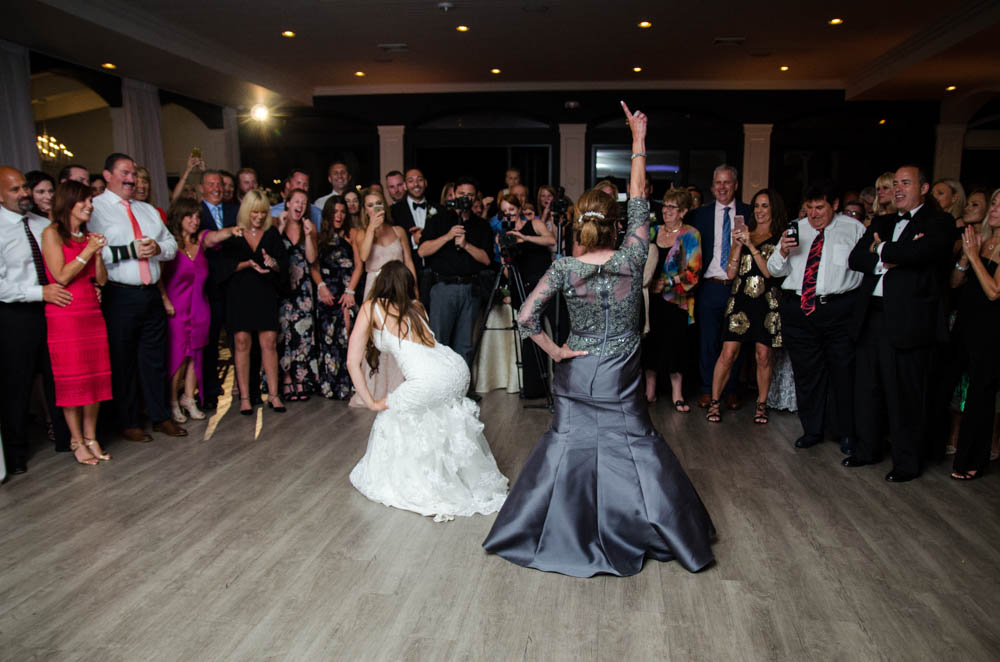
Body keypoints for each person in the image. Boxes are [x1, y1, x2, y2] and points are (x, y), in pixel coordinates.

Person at [483, 102, 715, 578]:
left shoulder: (565, 267)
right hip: (620, 377)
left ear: (581, 226)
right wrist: (638, 142)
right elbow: (639, 200)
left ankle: (556, 531)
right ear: (618, 225)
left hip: (577, 370)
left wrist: (557, 351)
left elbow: (526, 317)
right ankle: (646, 526)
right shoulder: (634, 256)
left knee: (567, 451)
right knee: (636, 449)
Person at [347, 260, 508, 520]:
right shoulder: (416, 307)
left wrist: (371, 402)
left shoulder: (371, 306)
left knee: (388, 418)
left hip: (430, 378)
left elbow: (352, 362)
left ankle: (423, 481)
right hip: (456, 369)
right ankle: (448, 475)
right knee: (435, 417)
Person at [845, 166, 954, 482]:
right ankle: (868, 449)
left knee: (904, 393)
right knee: (868, 388)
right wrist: (890, 256)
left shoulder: (939, 222)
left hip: (908, 321)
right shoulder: (882, 221)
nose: (898, 189)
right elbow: (856, 259)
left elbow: (923, 253)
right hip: (871, 316)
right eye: (895, 184)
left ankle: (907, 462)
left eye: (906, 183)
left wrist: (880, 248)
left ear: (924, 188)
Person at [88, 153, 186, 441]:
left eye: (133, 174)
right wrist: (130, 250)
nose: (131, 179)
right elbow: (91, 252)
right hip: (119, 295)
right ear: (108, 175)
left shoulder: (148, 210)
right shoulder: (95, 209)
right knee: (124, 361)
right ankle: (129, 421)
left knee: (155, 359)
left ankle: (160, 417)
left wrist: (157, 248)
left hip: (151, 294)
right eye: (125, 173)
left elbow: (171, 245)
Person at [766, 180, 865, 453]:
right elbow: (774, 270)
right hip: (800, 309)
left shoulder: (854, 229)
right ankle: (812, 430)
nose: (813, 214)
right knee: (807, 374)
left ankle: (845, 432)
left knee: (842, 373)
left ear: (834, 205)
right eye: (809, 207)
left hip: (838, 309)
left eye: (819, 207)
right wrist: (783, 251)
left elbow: (866, 269)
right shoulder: (796, 228)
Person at [0, 166, 73, 474]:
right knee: (17, 384)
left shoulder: (43, 225)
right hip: (15, 314)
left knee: (58, 376)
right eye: (15, 189)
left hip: (52, 308)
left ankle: (66, 439)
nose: (24, 193)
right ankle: (16, 454)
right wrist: (38, 292)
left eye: (24, 187)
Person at [40, 180, 113, 465]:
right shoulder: (51, 234)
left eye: (91, 201)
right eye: (84, 201)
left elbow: (101, 280)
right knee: (72, 380)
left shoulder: (88, 237)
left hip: (91, 312)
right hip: (65, 314)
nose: (89, 206)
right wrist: (87, 251)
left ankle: (91, 436)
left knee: (95, 376)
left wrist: (97, 253)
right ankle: (76, 440)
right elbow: (60, 276)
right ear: (68, 202)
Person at [707, 189, 788, 424]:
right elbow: (731, 273)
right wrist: (736, 245)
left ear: (773, 209)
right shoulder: (745, 234)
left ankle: (761, 405)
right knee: (728, 353)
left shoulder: (780, 238)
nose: (759, 211)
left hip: (767, 302)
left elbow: (769, 273)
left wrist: (751, 245)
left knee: (763, 355)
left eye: (765, 206)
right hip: (740, 300)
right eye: (757, 206)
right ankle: (714, 402)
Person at [161, 198, 243, 422]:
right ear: (180, 217)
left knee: (196, 355)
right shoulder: (169, 245)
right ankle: (172, 401)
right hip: (176, 308)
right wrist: (164, 300)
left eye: (198, 217)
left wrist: (233, 230)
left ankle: (189, 398)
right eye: (190, 216)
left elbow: (215, 236)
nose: (195, 221)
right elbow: (157, 276)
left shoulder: (200, 241)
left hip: (200, 307)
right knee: (178, 356)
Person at [690, 165, 753, 410]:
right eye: (718, 182)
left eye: (727, 182)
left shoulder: (748, 212)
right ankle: (707, 389)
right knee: (708, 341)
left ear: (735, 185)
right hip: (709, 285)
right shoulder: (700, 215)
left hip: (738, 287)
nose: (722, 187)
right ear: (712, 187)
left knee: (734, 340)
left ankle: (731, 389)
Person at [221, 190, 288, 414]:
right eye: (254, 212)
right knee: (241, 342)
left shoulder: (271, 233)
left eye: (263, 213)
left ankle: (274, 395)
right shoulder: (235, 233)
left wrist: (272, 263)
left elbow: (283, 266)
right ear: (246, 211)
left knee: (269, 342)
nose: (259, 217)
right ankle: (245, 397)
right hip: (239, 293)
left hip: (264, 292)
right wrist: (247, 264)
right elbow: (224, 267)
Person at [950, 189, 1000, 479]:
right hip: (965, 321)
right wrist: (966, 259)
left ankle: (971, 460)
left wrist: (974, 256)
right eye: (993, 203)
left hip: (990, 329)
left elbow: (994, 291)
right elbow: (956, 282)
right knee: (946, 378)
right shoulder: (980, 241)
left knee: (981, 394)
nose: (993, 209)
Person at [349, 188, 415, 407]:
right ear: (365, 210)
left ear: (384, 206)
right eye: (369, 205)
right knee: (375, 340)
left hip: (399, 287)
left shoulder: (398, 231)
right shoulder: (360, 233)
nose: (375, 208)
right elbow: (363, 257)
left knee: (399, 336)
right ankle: (374, 392)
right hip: (376, 288)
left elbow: (408, 262)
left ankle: (399, 389)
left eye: (378, 203)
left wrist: (414, 292)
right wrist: (371, 229)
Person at [418, 176, 493, 368]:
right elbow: (422, 251)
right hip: (443, 287)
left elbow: (486, 259)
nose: (465, 198)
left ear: (476, 197)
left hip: (470, 289)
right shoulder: (438, 220)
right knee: (439, 341)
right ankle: (439, 383)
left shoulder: (482, 225)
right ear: (453, 194)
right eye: (461, 193)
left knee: (465, 345)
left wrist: (466, 245)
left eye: (470, 195)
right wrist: (448, 236)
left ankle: (462, 384)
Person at [642, 187, 700, 409]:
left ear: (683, 211)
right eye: (665, 206)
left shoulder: (691, 234)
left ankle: (677, 394)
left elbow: (693, 272)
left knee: (676, 346)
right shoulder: (653, 231)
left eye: (672, 207)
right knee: (650, 346)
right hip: (651, 300)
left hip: (677, 300)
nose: (666, 210)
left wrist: (666, 282)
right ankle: (649, 392)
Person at [197, 170, 239, 409]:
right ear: (202, 188)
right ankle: (210, 392)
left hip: (234, 282)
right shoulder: (197, 213)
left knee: (238, 337)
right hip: (208, 285)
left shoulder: (235, 211)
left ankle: (244, 387)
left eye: (220, 184)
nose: (216, 188)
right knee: (210, 340)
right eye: (211, 184)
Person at [313, 196, 362, 400]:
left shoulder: (352, 234)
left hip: (346, 293)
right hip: (327, 294)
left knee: (346, 336)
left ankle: (348, 384)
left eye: (342, 212)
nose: (339, 216)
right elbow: (313, 266)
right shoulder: (319, 237)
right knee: (327, 339)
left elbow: (359, 265)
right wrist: (321, 287)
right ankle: (329, 385)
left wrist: (350, 291)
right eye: (335, 212)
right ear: (328, 214)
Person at [274, 188, 319, 401]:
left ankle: (301, 379)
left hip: (303, 291)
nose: (300, 205)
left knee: (303, 335)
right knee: (283, 335)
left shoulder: (309, 228)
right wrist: (280, 228)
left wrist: (309, 236)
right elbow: (273, 254)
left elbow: (312, 259)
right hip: (282, 289)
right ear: (288, 204)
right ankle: (285, 379)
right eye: (296, 201)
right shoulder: (277, 226)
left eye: (303, 202)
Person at [391, 168, 438, 308]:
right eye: (411, 181)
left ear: (425, 183)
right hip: (408, 274)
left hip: (435, 274)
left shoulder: (438, 209)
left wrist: (425, 237)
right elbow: (392, 243)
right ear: (405, 185)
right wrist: (412, 241)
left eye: (419, 180)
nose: (416, 184)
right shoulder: (394, 211)